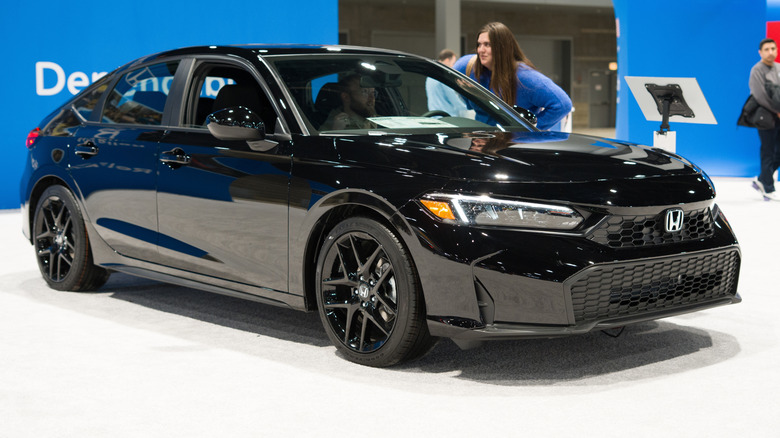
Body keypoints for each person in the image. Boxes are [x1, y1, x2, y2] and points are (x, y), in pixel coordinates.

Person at [454, 22, 572, 131]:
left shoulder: (525, 78)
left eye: (487, 45)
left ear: (502, 48)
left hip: (512, 146)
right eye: (479, 44)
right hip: (481, 141)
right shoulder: (466, 66)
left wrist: (530, 130)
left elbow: (562, 104)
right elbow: (452, 80)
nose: (480, 50)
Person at [748, 37, 780, 201]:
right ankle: (768, 188)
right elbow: (759, 95)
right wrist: (777, 110)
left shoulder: (778, 68)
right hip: (766, 117)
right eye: (767, 49)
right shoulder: (757, 70)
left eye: (773, 48)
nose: (770, 52)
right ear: (760, 52)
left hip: (779, 116)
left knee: (778, 153)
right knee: (768, 152)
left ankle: (761, 178)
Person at [426, 49, 468, 117]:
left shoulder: (430, 76)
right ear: (447, 60)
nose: (453, 67)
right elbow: (454, 100)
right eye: (453, 63)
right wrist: (470, 107)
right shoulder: (443, 76)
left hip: (434, 116)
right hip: (446, 118)